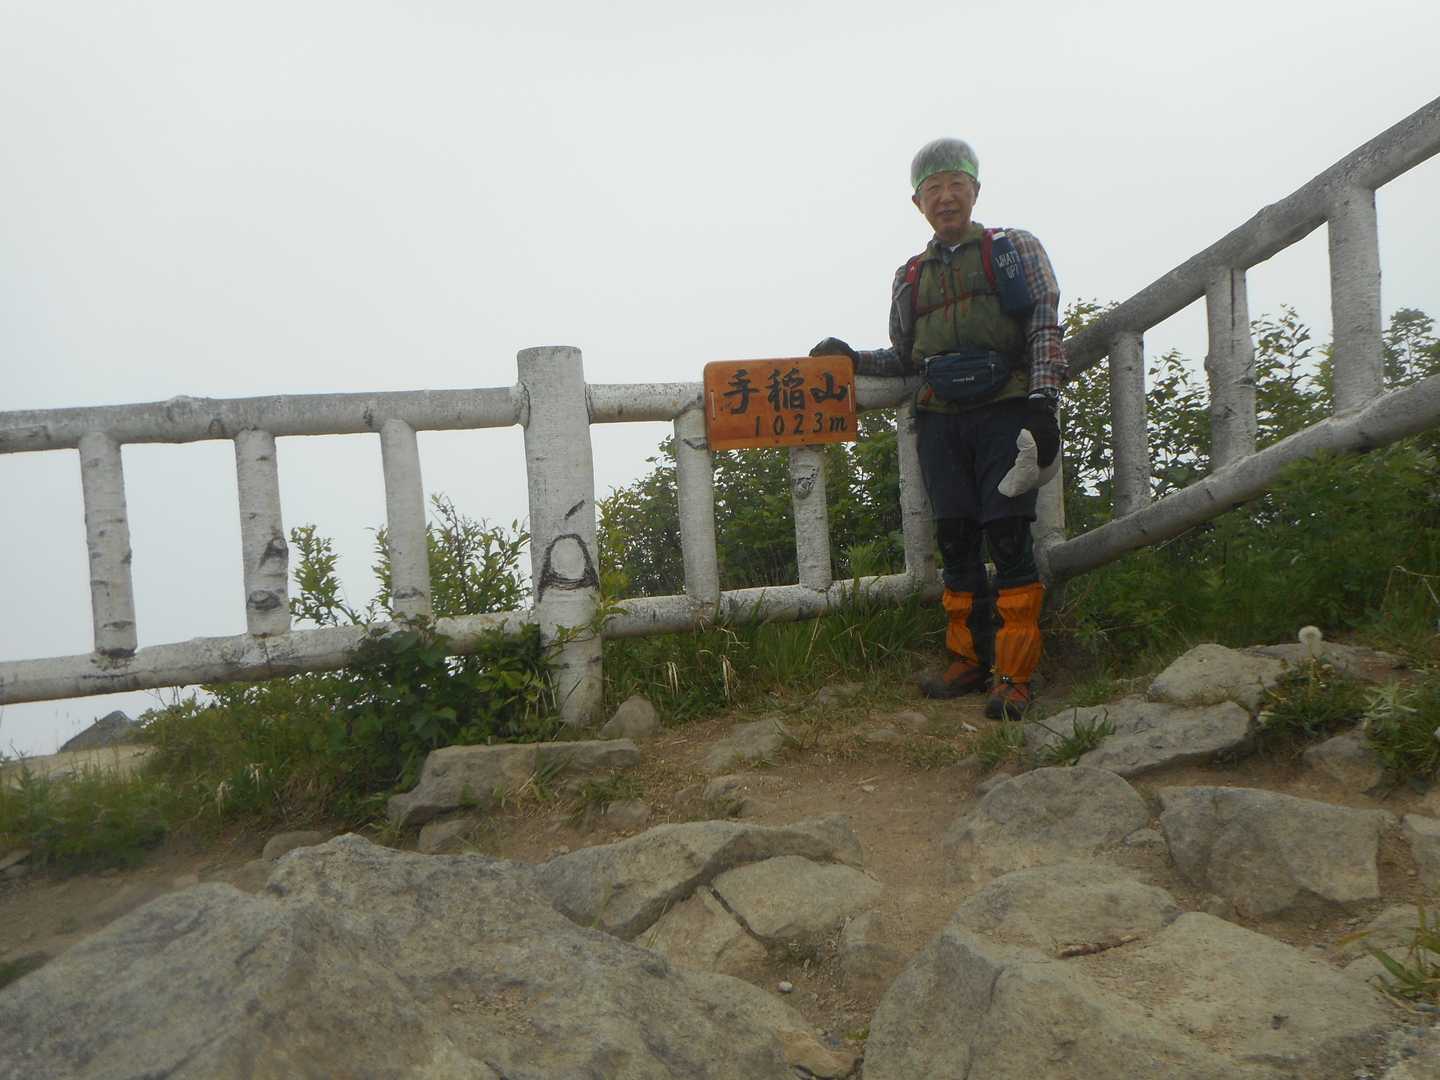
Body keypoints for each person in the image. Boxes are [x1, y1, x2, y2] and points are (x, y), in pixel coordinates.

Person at [811, 137, 1068, 720]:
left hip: (1006, 409)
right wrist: (852, 358)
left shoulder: (1013, 249)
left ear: (975, 191)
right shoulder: (910, 276)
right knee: (954, 537)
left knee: (1008, 535)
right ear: (917, 202)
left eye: (956, 185)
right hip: (939, 417)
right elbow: (907, 358)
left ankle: (1014, 673)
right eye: (933, 189)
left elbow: (1044, 325)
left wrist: (1042, 403)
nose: (946, 197)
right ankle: (968, 659)